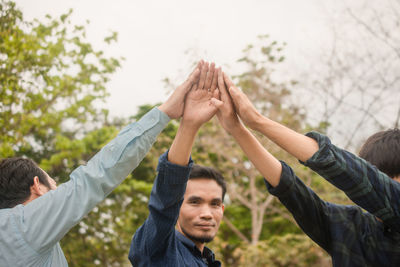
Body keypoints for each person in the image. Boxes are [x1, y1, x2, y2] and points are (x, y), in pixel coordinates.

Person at [0, 61, 203, 267]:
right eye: (54, 185)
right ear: (37, 186)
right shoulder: (24, 228)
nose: (58, 192)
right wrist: (165, 112)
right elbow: (97, 175)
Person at [210, 70, 400, 266]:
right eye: (382, 178)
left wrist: (258, 121)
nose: (384, 189)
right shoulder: (349, 226)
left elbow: (356, 176)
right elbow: (290, 189)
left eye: (391, 183)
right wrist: (237, 129)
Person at [129, 62, 225, 267]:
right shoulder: (157, 250)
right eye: (194, 202)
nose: (207, 214)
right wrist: (189, 124)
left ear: (223, 209)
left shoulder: (207, 261)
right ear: (177, 206)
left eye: (215, 204)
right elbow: (164, 201)